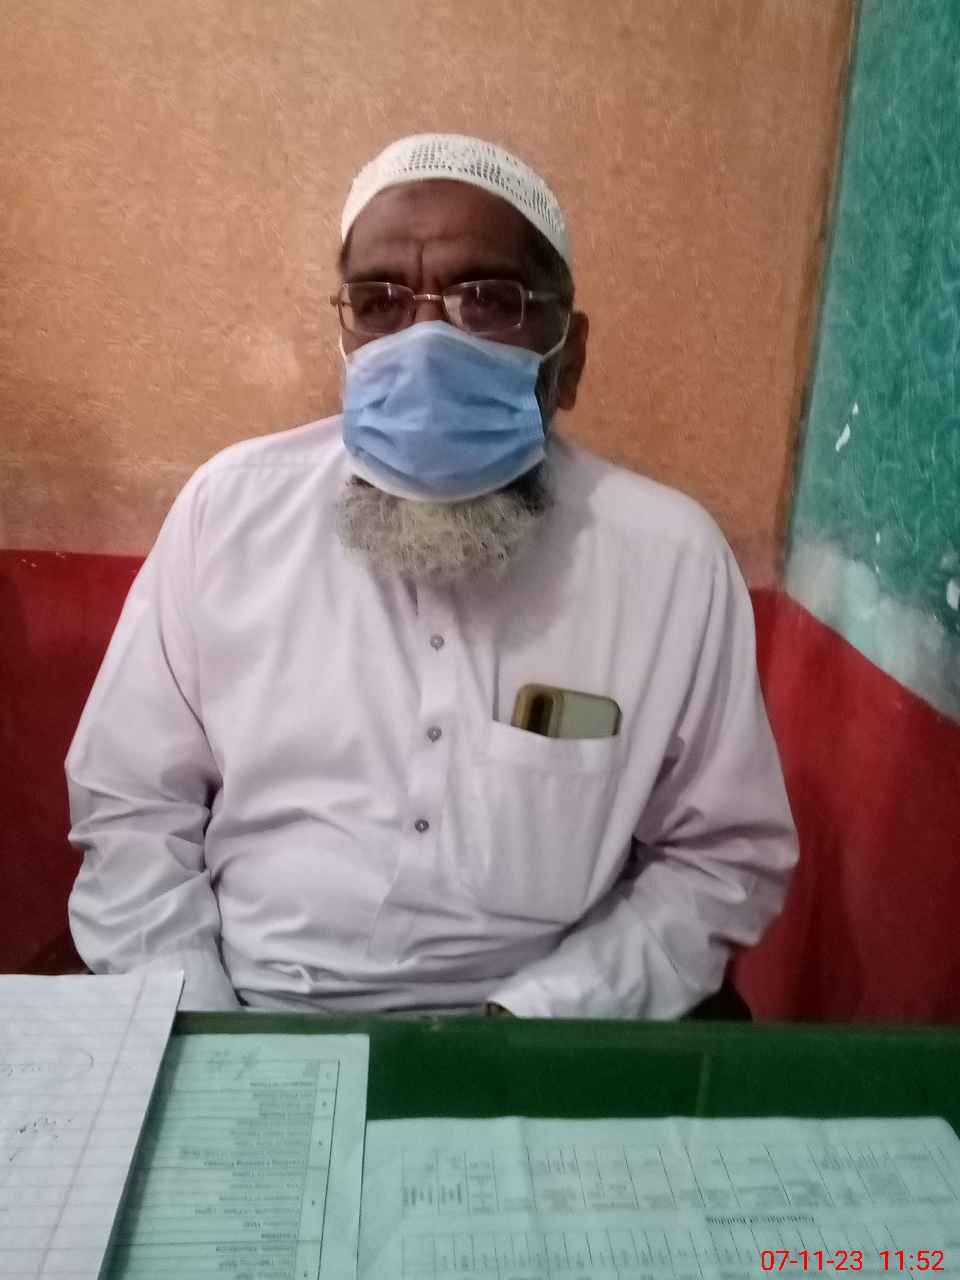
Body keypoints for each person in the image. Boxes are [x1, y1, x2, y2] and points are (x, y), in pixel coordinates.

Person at [66, 133, 798, 1017]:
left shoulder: (671, 563)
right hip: (253, 1011)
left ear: (569, 354)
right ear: (345, 334)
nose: (425, 345)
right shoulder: (229, 515)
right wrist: (209, 1030)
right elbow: (133, 809)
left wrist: (536, 1020)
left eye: (486, 299)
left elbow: (720, 859)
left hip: (542, 1038)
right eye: (379, 302)